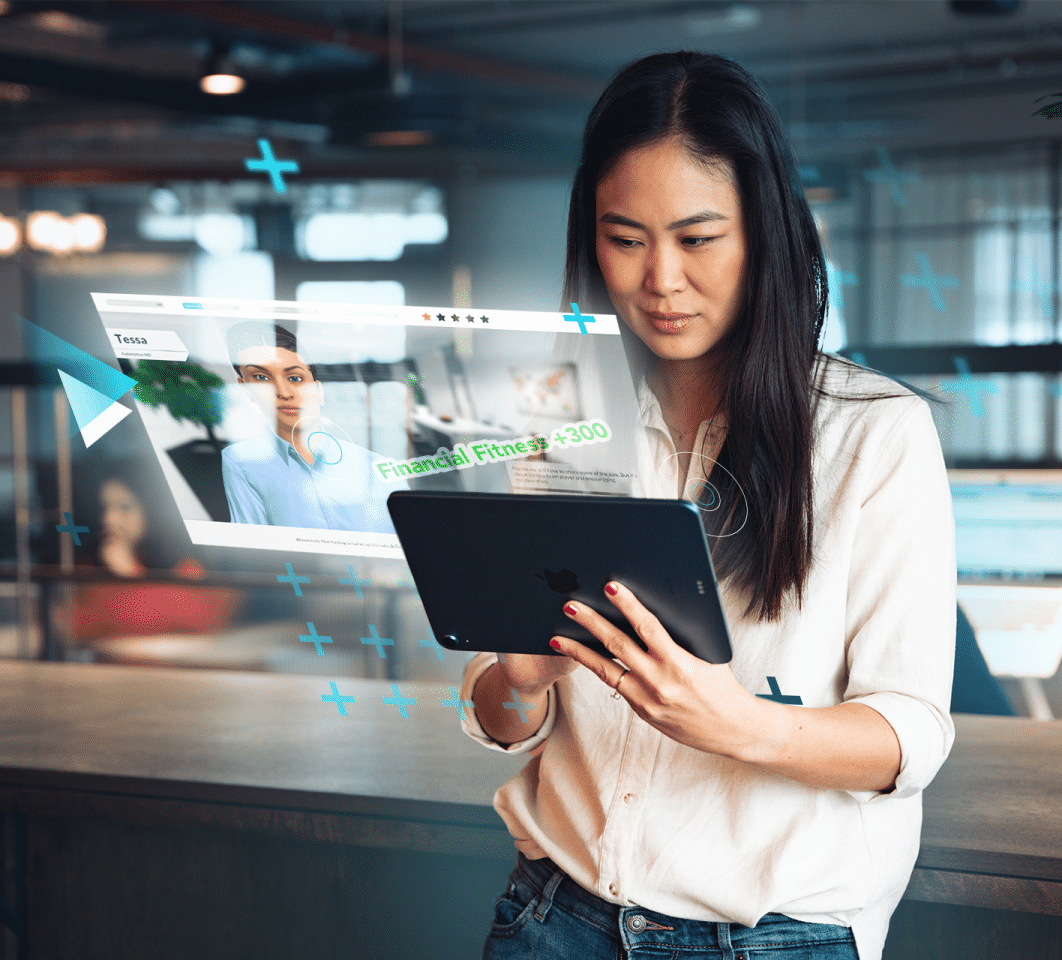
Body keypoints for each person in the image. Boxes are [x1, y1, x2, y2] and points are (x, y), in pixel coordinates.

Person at [461, 52, 955, 960]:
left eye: (697, 238)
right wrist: (518, 681)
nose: (660, 280)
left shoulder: (874, 434)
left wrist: (736, 726)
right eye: (625, 238)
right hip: (551, 919)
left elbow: (910, 736)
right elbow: (500, 721)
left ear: (764, 231)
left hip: (771, 940)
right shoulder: (548, 417)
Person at [221, 321, 399, 533]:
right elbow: (251, 545)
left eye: (295, 378)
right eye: (261, 378)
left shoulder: (376, 466)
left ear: (319, 391)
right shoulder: (240, 461)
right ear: (247, 389)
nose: (284, 392)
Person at [69, 463, 241, 643]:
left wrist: (131, 573)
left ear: (152, 510)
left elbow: (199, 619)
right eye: (104, 508)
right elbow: (74, 625)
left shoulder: (181, 564)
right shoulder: (92, 567)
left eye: (124, 507)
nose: (109, 519)